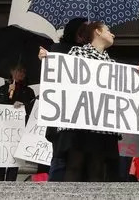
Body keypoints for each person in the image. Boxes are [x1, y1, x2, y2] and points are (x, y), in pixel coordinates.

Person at [42, 20, 139, 182]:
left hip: (102, 128)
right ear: (97, 32)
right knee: (74, 166)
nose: (112, 34)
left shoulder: (111, 64)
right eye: (108, 30)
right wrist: (48, 60)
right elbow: (62, 79)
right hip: (78, 125)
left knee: (96, 170)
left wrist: (136, 75)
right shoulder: (76, 53)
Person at [36, 17, 87, 180]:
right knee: (60, 159)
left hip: (83, 119)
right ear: (73, 31)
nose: (84, 34)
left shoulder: (90, 52)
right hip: (61, 118)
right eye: (81, 30)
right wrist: (46, 59)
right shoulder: (57, 50)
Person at [0, 63, 36, 181]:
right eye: (18, 70)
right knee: (0, 161)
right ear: (11, 71)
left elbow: (32, 109)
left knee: (14, 163)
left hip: (19, 131)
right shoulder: (2, 89)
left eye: (23, 71)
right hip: (2, 131)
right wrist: (7, 95)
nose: (21, 73)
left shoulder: (29, 91)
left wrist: (23, 106)